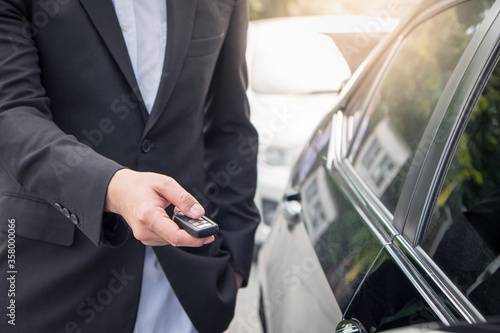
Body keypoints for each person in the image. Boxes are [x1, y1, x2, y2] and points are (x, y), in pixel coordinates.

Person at [0, 0, 260, 332]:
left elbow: (230, 125)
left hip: (188, 292)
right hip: (54, 286)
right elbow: (11, 113)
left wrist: (235, 261)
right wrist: (114, 187)